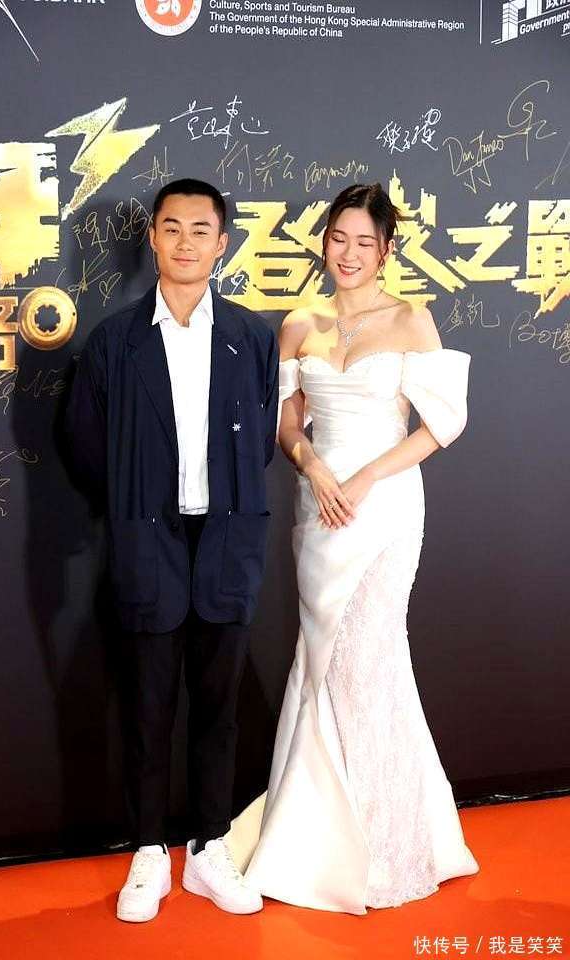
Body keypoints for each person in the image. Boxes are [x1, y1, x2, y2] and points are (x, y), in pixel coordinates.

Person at [228, 182, 479, 913]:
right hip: (319, 504)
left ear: (386, 250)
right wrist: (311, 466)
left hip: (386, 504)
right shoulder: (298, 323)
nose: (348, 253)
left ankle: (388, 841)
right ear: (324, 242)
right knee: (325, 662)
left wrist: (366, 477)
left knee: (372, 656)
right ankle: (317, 835)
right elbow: (286, 421)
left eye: (364, 242)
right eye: (338, 238)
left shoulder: (410, 318)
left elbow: (442, 425)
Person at [65, 179, 279, 921]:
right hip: (147, 537)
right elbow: (85, 446)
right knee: (148, 704)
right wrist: (137, 496)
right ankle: (149, 851)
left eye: (201, 230)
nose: (186, 242)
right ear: (152, 238)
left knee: (219, 707)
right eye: (172, 228)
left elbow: (260, 438)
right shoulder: (115, 341)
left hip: (227, 537)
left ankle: (209, 848)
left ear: (223, 244)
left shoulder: (251, 337)